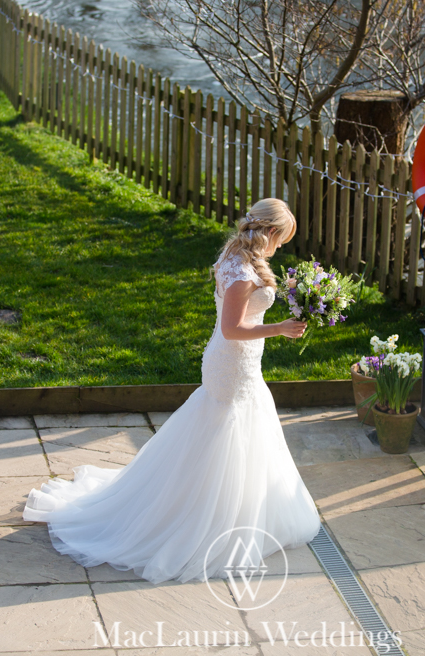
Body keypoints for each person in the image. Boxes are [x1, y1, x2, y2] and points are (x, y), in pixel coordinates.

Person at [22, 198, 322, 584]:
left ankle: (219, 506)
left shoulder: (238, 255)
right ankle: (201, 517)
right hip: (232, 363)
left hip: (240, 363)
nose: (281, 247)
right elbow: (233, 329)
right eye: (281, 239)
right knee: (225, 434)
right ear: (269, 232)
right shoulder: (243, 270)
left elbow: (246, 308)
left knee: (234, 432)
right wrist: (278, 328)